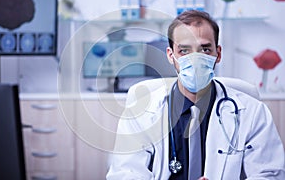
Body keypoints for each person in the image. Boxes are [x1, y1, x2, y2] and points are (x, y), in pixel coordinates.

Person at [106, 10, 285, 179]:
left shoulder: (252, 113)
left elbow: (269, 174)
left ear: (218, 53)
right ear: (170, 55)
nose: (195, 58)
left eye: (205, 49)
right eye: (184, 50)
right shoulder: (141, 113)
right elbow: (125, 174)